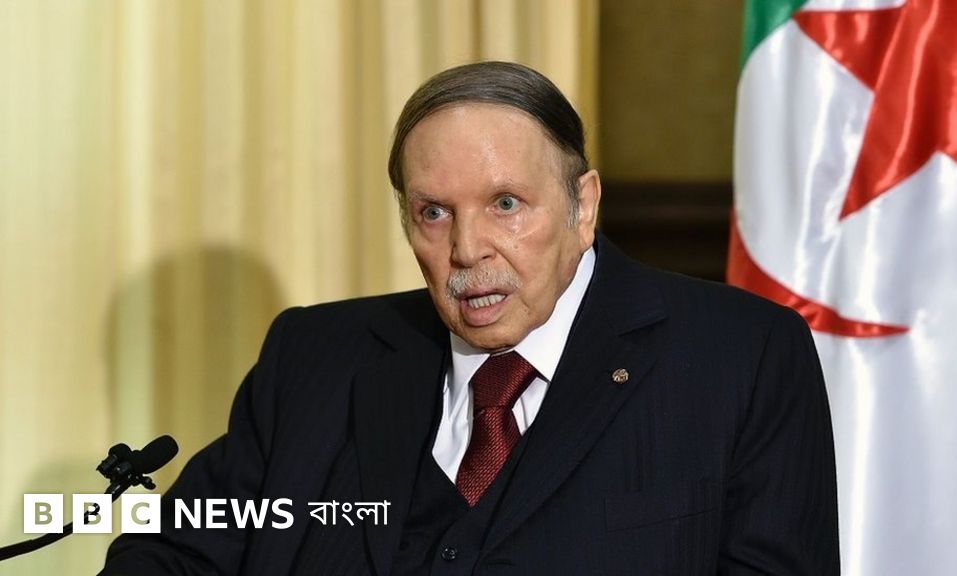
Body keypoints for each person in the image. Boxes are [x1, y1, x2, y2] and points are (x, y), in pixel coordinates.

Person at [101, 61, 839, 575]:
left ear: (582, 206)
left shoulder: (738, 357)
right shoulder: (316, 357)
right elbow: (176, 549)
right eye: (433, 213)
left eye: (505, 204)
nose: (466, 248)